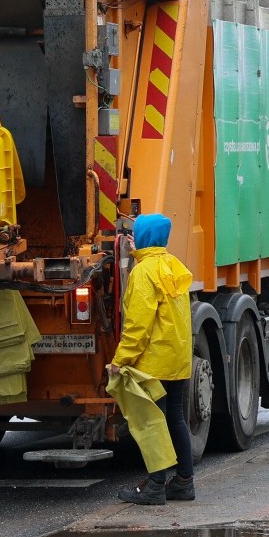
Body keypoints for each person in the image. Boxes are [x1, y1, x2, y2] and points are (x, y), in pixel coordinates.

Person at [109, 213, 196, 505]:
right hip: (178, 357)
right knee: (176, 419)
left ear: (144, 237)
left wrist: (121, 360)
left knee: (153, 422)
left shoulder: (143, 272)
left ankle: (156, 484)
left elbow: (138, 325)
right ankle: (184, 481)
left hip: (153, 361)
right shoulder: (173, 265)